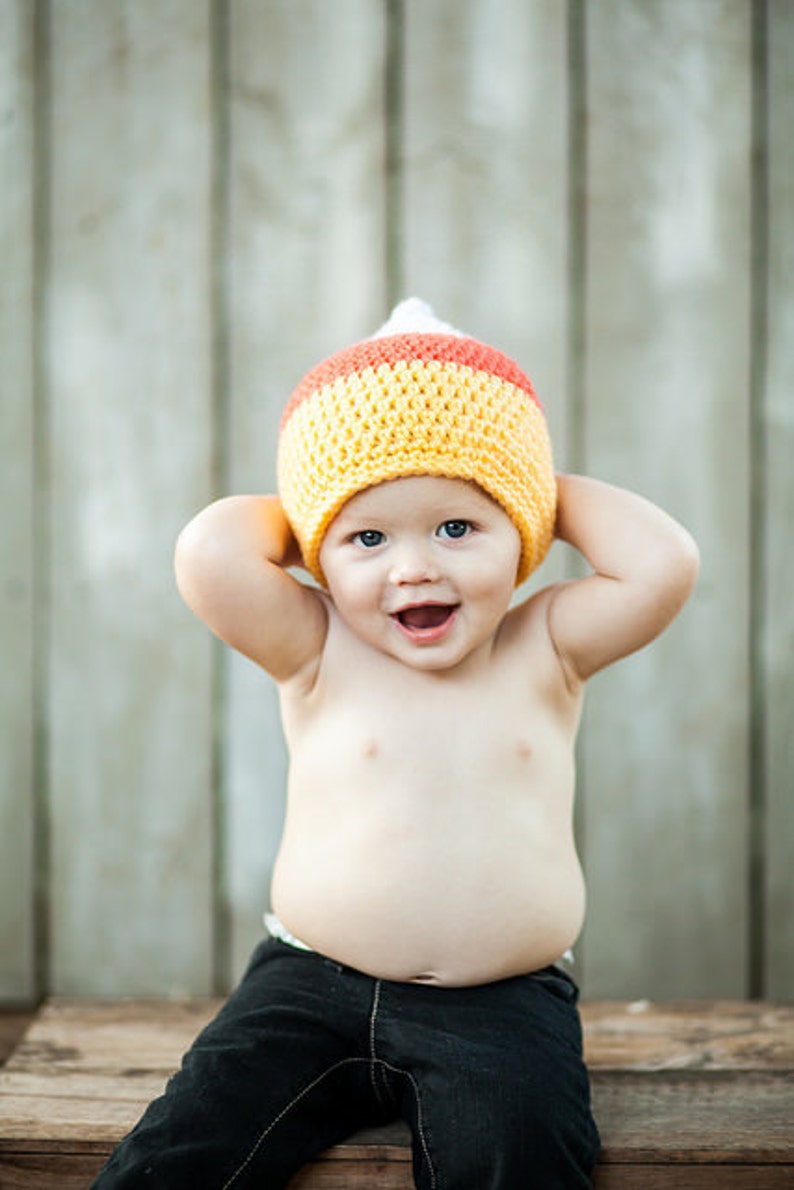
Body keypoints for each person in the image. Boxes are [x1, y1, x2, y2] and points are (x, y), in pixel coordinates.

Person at [93, 299, 699, 1188]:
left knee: (521, 1158)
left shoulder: (548, 645)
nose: (413, 566)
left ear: (523, 535)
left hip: (501, 1005)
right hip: (307, 988)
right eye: (368, 537)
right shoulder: (315, 645)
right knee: (179, 1153)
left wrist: (529, 479)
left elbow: (664, 562)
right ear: (315, 552)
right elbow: (209, 549)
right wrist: (325, 491)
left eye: (458, 526)